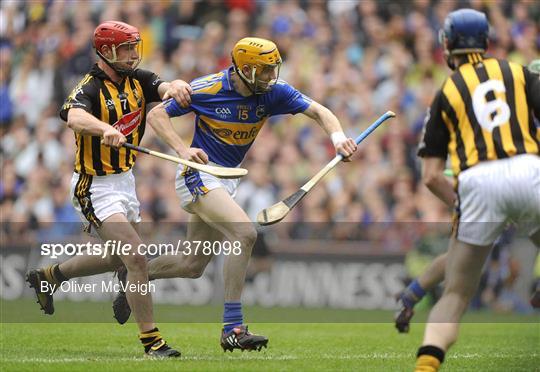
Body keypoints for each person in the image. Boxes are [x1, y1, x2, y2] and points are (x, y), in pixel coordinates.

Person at [111, 37, 358, 352]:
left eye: (274, 70)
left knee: (192, 264)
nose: (272, 77)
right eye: (265, 71)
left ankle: (133, 274)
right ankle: (233, 328)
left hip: (226, 180)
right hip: (197, 173)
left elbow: (320, 111)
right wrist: (182, 149)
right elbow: (157, 115)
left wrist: (338, 138)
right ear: (245, 69)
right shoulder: (207, 89)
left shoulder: (273, 93)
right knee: (244, 233)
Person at [25, 21, 193, 358]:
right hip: (94, 186)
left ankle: (50, 276)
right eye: (126, 49)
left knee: (120, 256)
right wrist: (104, 129)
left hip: (125, 181)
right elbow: (73, 117)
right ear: (105, 52)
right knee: (136, 255)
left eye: (134, 47)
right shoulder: (88, 87)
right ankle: (152, 342)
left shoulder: (138, 79)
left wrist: (175, 86)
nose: (133, 55)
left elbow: (161, 87)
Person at [413, 9, 540, 372]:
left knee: (454, 295)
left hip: (477, 182)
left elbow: (431, 176)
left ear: (448, 44)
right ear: (485, 42)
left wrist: (465, 207)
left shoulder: (445, 92)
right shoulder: (517, 71)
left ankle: (425, 366)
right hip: (530, 170)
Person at [396, 58, 540, 334]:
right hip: (485, 185)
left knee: (465, 256)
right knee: (460, 258)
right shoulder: (515, 116)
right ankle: (412, 296)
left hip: (491, 186)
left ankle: (410, 297)